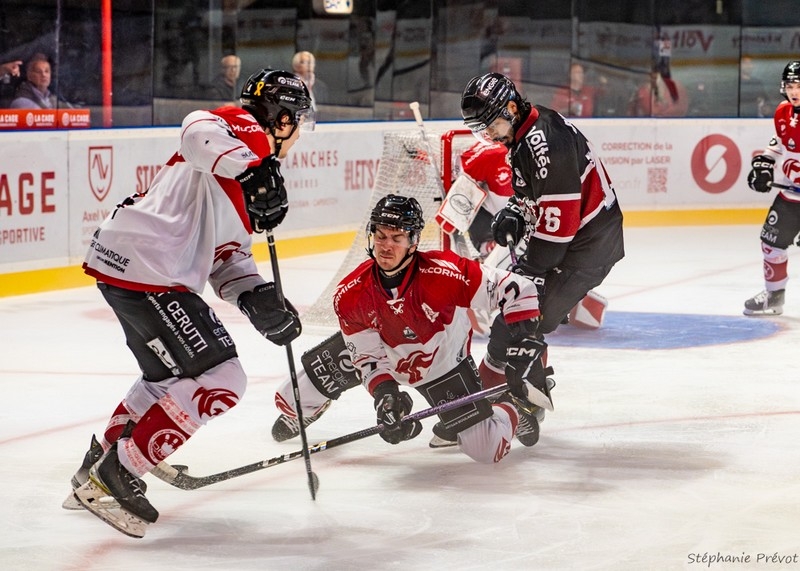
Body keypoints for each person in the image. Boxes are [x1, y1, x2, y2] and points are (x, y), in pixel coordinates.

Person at [66, 69, 314, 538]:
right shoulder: (242, 131)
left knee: (167, 378)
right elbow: (198, 128)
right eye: (297, 120)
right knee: (224, 378)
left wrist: (257, 296)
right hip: (150, 270)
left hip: (130, 264)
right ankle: (116, 474)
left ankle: (98, 463)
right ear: (281, 118)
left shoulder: (246, 170)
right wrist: (253, 167)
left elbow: (227, 256)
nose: (299, 131)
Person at [271, 194, 551, 462]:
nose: (386, 246)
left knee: (487, 448)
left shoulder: (444, 273)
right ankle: (313, 406)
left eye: (397, 238)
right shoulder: (351, 294)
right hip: (387, 354)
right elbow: (367, 358)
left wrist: (523, 341)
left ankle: (512, 407)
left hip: (443, 367)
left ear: (414, 241)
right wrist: (386, 397)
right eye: (380, 236)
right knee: (288, 399)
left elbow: (519, 289)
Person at [459, 72, 624, 401]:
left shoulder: (542, 140)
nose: (489, 135)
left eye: (491, 125)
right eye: (482, 129)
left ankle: (498, 404)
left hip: (587, 248)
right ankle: (519, 397)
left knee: (517, 317)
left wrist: (531, 272)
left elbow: (560, 224)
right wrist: (517, 211)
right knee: (520, 317)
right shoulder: (526, 129)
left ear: (509, 107)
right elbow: (536, 195)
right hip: (580, 241)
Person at [743, 60, 800, 316]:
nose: (794, 91)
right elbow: (779, 143)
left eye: (798, 85)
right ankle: (774, 296)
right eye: (790, 85)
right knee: (770, 243)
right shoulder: (783, 112)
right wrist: (764, 164)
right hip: (790, 194)